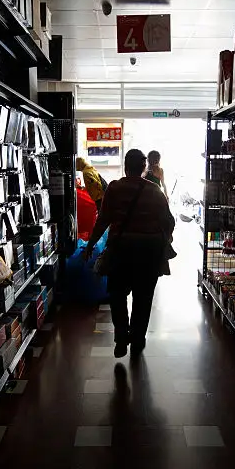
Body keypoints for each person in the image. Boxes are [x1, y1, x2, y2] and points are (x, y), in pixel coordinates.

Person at [85, 149, 175, 358]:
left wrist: (91, 243)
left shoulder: (115, 188)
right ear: (143, 167)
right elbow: (169, 221)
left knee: (117, 295)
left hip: (121, 250)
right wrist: (162, 239)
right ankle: (137, 339)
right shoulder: (155, 191)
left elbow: (103, 219)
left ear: (126, 166)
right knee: (143, 298)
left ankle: (120, 338)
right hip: (149, 253)